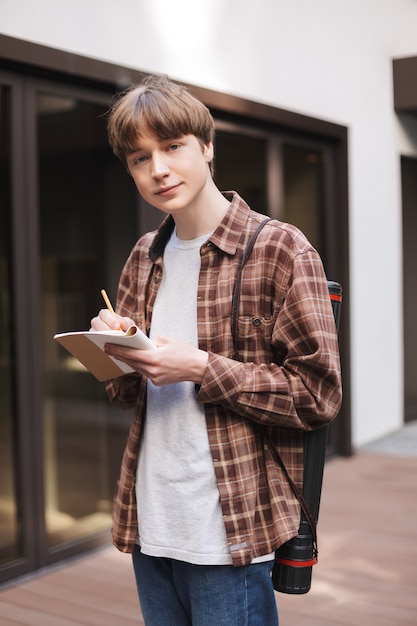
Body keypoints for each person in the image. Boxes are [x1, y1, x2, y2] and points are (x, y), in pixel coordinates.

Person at [90, 74, 342, 626]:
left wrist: (203, 368)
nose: (157, 169)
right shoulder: (144, 257)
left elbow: (317, 396)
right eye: (139, 158)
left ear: (206, 147)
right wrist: (114, 347)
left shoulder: (279, 248)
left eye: (172, 147)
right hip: (152, 519)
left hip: (231, 526)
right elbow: (123, 393)